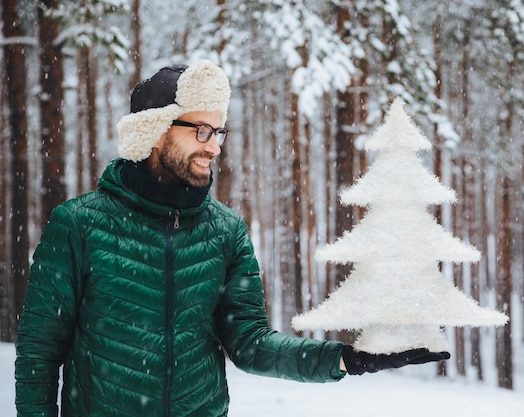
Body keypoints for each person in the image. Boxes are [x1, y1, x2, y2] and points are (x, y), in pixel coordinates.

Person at [14, 60, 450, 417]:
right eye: (200, 130)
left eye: (218, 131)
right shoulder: (78, 225)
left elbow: (251, 343)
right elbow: (38, 355)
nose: (213, 146)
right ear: (155, 130)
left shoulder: (224, 230)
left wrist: (346, 358)